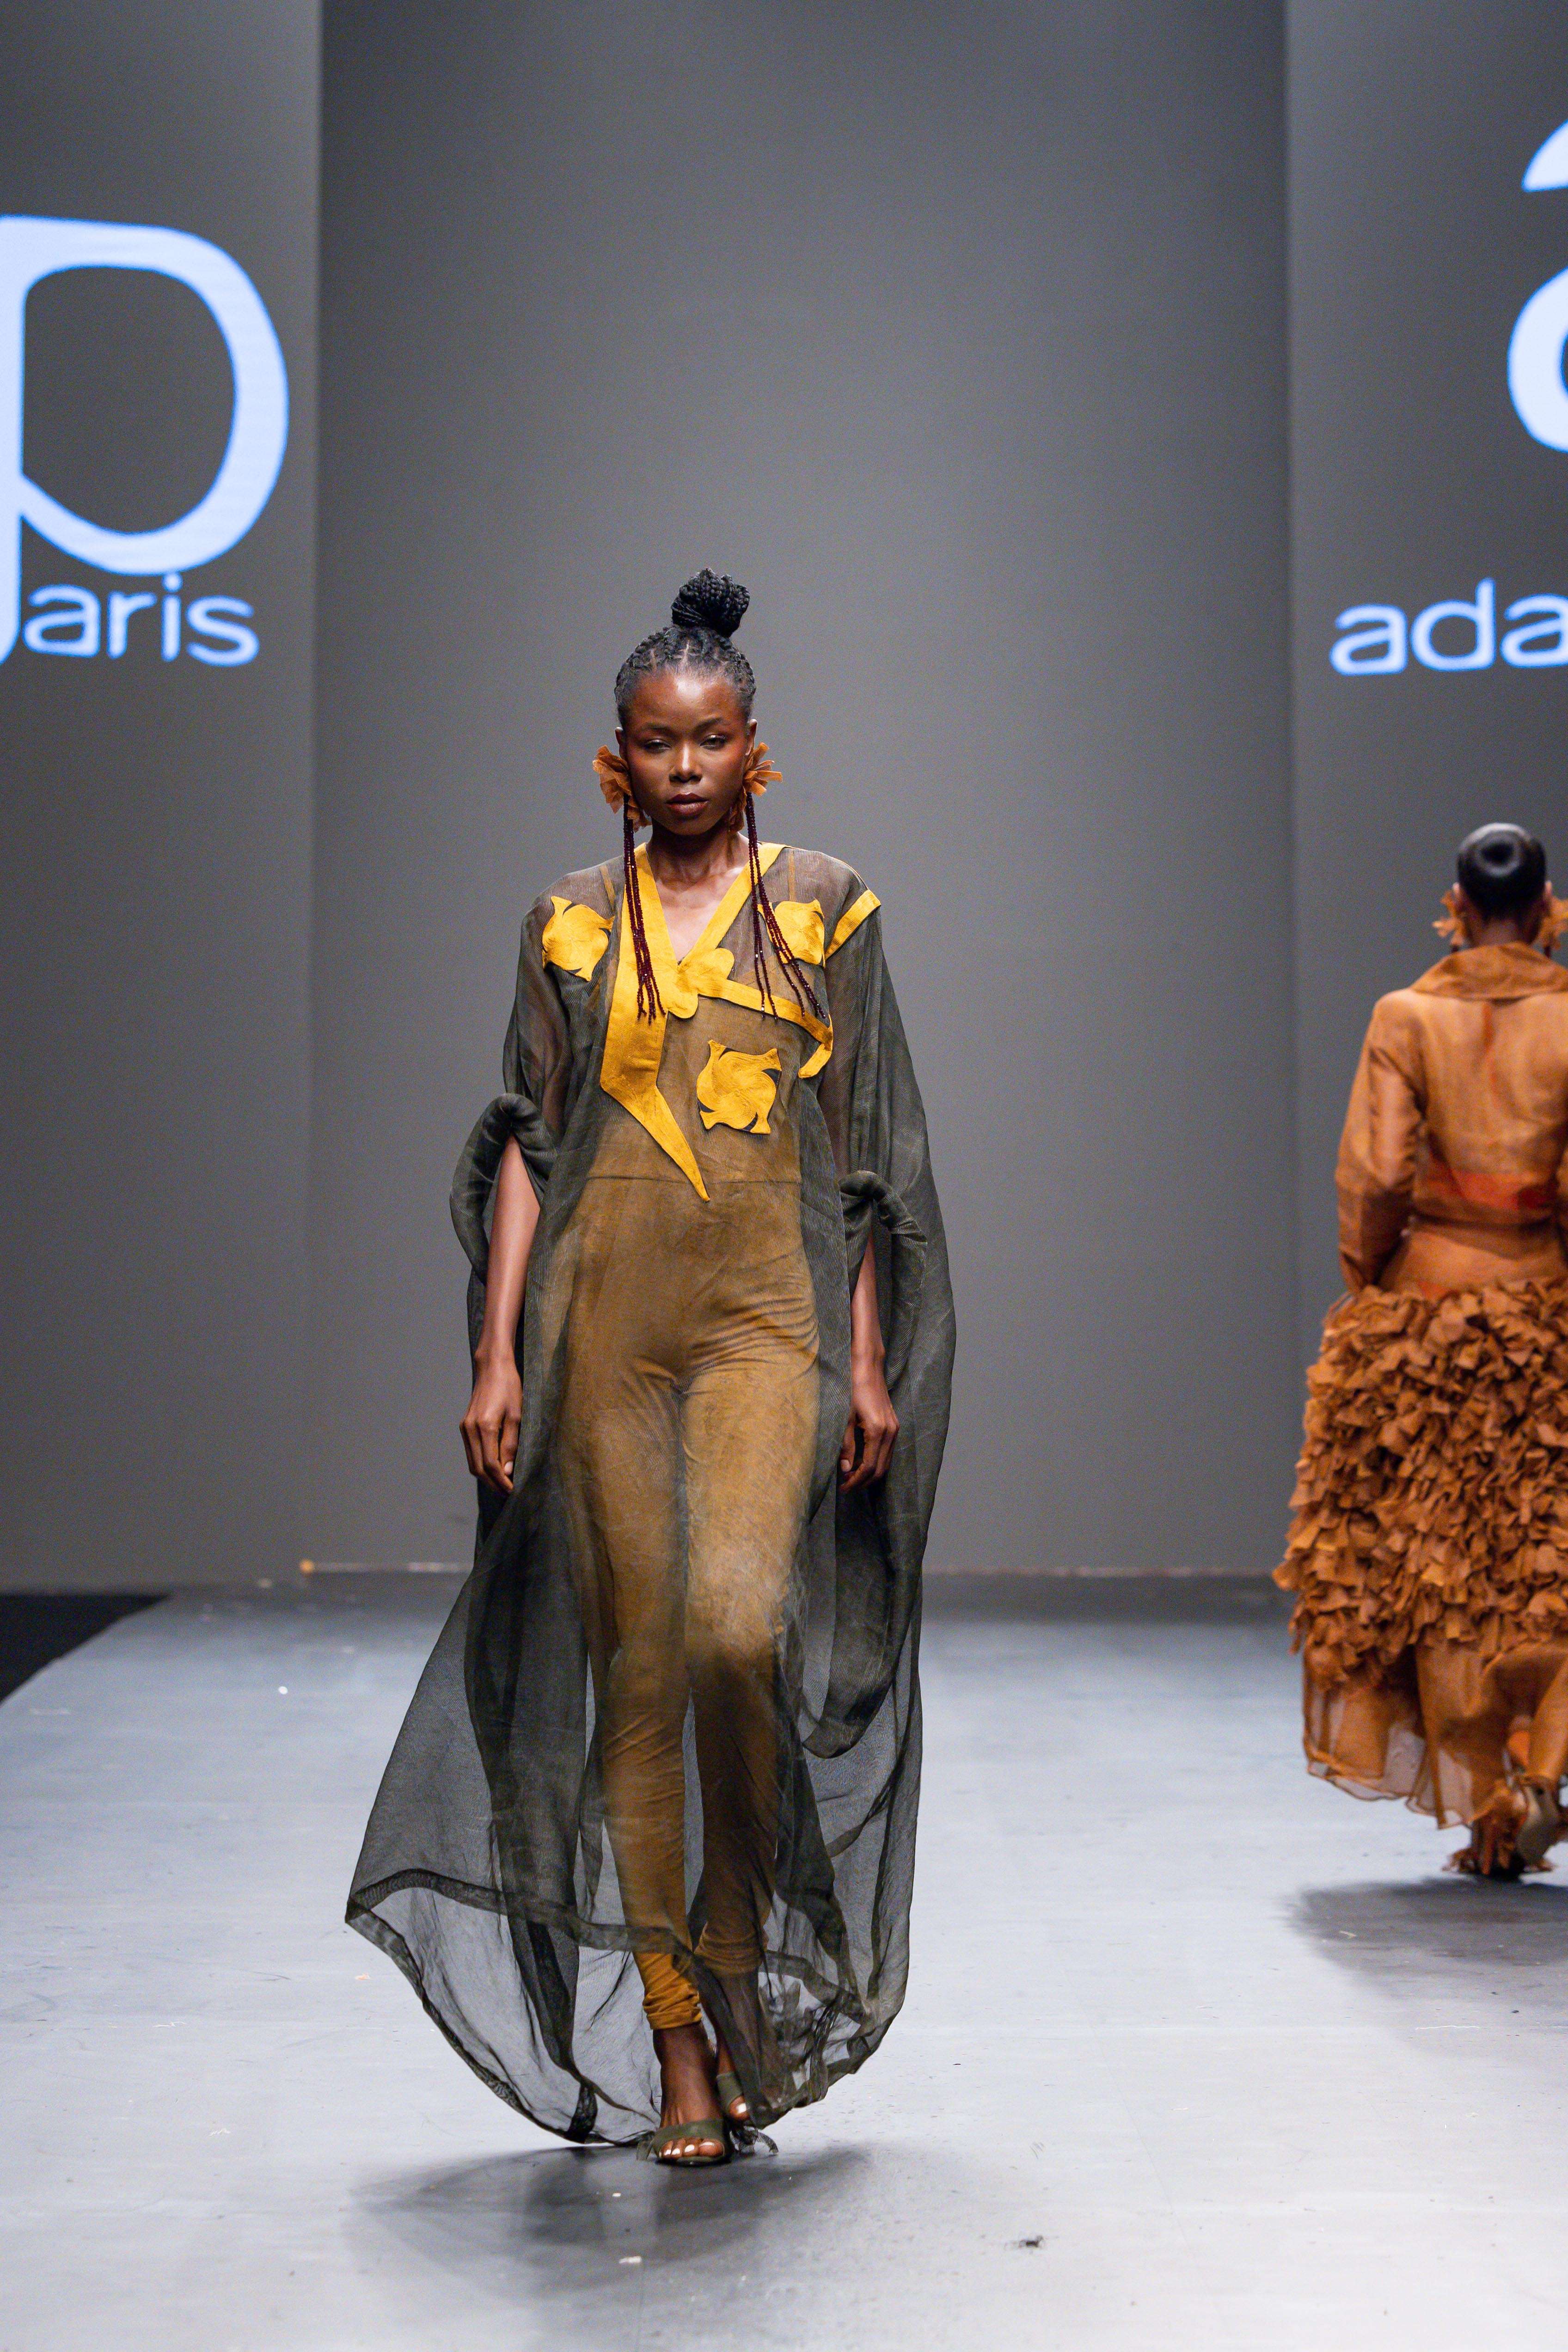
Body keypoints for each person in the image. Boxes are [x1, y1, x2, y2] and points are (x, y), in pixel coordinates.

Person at [348, 570, 954, 2161]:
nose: (685, 767)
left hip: (765, 1316)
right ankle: (680, 2035)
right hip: (600, 1327)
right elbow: (531, 1141)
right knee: (635, 1664)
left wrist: (866, 1356)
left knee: (738, 1633)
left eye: (711, 740)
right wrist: (498, 1354)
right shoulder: (565, 918)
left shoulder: (826, 907)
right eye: (656, 743)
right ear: (616, 755)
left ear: (757, 746)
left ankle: (732, 1953)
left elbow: (864, 1151)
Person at [1278, 823, 1568, 1878]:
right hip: (1543, 1304)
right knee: (1543, 1554)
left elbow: (1374, 1174)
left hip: (1430, 1311)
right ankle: (1541, 1766)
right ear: (1546, 907)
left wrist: (1376, 1285)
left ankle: (1494, 1801)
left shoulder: (1405, 1017)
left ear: (1457, 905)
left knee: (1442, 1571)